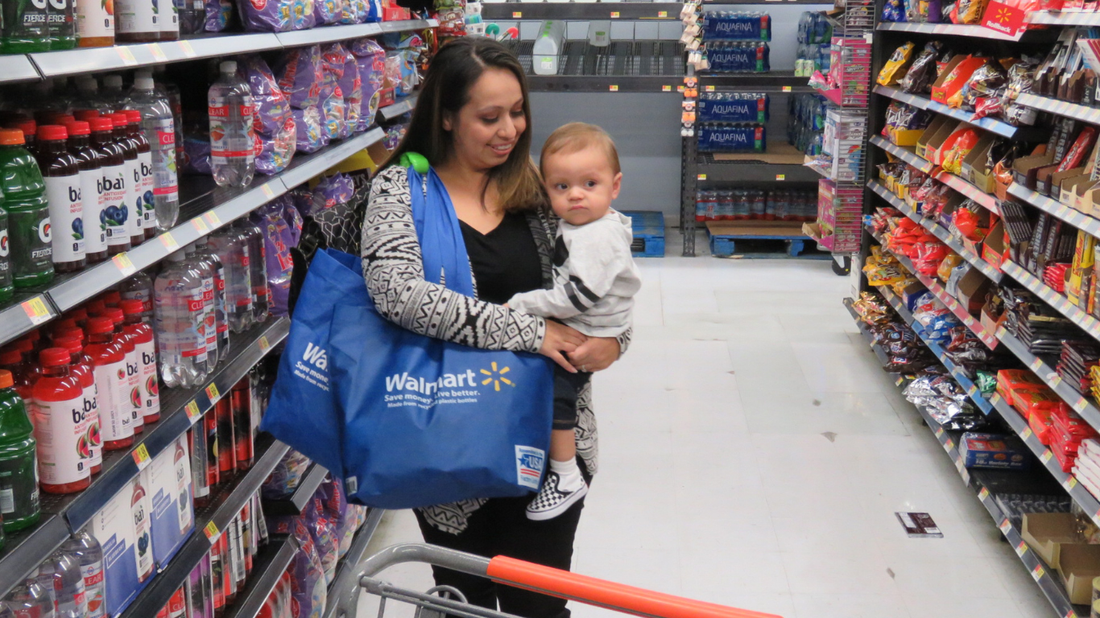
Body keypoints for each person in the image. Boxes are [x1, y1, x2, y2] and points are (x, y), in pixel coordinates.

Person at [360, 37, 631, 618]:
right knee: (463, 599)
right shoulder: (400, 190)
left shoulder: (539, 189)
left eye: (517, 112)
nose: (509, 130)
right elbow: (398, 295)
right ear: (448, 116)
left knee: (539, 601)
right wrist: (529, 332)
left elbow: (606, 277)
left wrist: (614, 342)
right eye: (489, 117)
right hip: (444, 436)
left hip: (546, 436)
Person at [507, 123, 641, 521]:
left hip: (589, 328)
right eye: (561, 187)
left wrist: (523, 304)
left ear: (614, 186)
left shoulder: (595, 236)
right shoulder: (587, 225)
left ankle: (565, 475)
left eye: (589, 183)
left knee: (555, 395)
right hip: (592, 323)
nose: (576, 195)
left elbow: (577, 296)